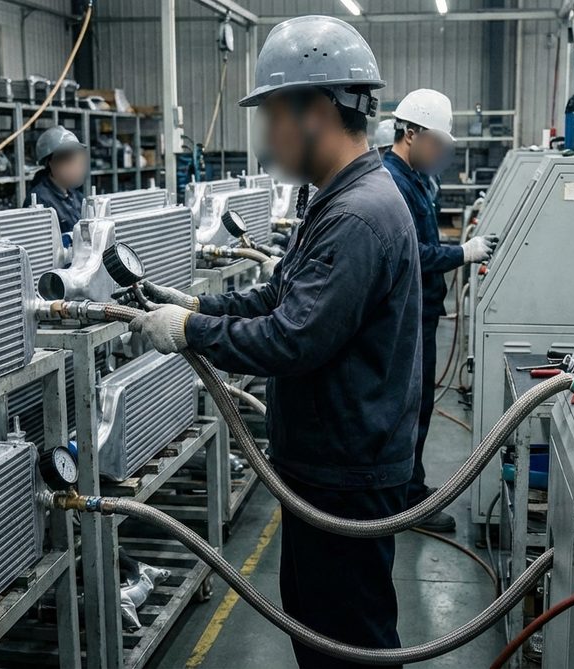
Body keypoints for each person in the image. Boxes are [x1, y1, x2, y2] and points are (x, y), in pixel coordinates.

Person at [128, 16, 420, 669]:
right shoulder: (334, 197)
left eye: (271, 115)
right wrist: (200, 303)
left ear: (315, 110)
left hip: (346, 468)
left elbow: (293, 338)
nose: (266, 135)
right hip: (328, 460)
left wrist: (190, 334)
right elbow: (279, 295)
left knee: (348, 643)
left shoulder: (358, 214)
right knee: (323, 628)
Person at [382, 88, 499, 533]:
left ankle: (410, 488)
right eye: (437, 142)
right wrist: (462, 253)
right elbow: (415, 254)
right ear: (411, 134)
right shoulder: (393, 181)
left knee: (420, 405)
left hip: (424, 310)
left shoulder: (412, 178)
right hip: (409, 314)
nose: (440, 153)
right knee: (410, 408)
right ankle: (404, 499)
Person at [27, 126, 88, 233]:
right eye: (69, 161)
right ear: (52, 164)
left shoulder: (75, 195)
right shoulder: (40, 201)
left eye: (78, 161)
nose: (77, 167)